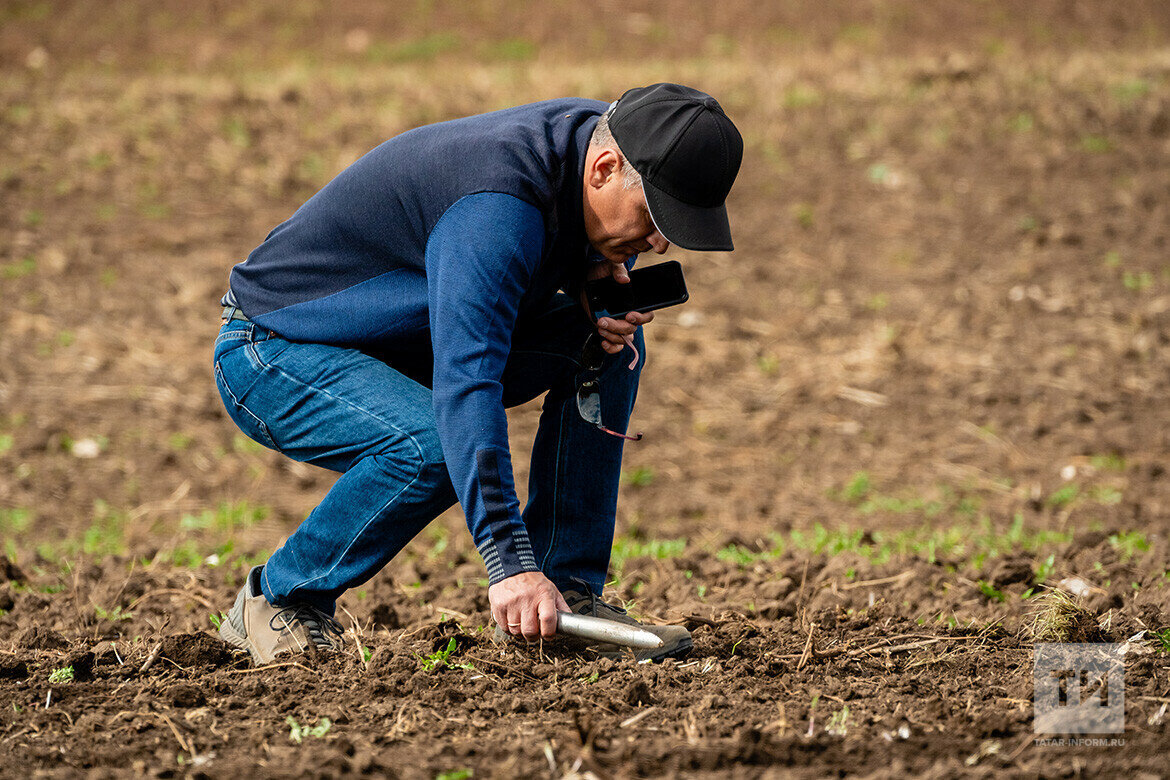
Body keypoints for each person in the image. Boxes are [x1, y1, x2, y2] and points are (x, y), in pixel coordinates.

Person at [212, 83, 742, 665]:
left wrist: (591, 274)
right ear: (606, 169)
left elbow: (572, 235)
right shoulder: (495, 209)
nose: (659, 240)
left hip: (401, 337)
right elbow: (468, 384)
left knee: (609, 339)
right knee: (433, 447)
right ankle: (281, 597)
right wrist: (510, 567)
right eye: (653, 217)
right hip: (277, 350)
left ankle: (567, 600)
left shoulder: (601, 138)